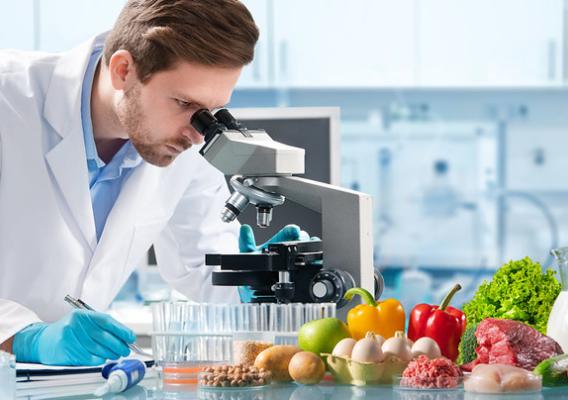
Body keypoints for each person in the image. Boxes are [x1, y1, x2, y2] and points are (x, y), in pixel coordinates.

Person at [0, 0, 305, 366]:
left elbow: (199, 261)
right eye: (182, 102)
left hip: (69, 380)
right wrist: (24, 336)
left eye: (211, 112)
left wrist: (251, 279)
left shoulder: (186, 138)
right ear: (123, 69)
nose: (197, 134)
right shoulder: (9, 100)